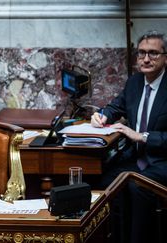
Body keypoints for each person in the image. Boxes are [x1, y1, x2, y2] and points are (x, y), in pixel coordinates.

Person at [91, 30, 167, 243]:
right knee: (106, 181)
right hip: (136, 160)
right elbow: (116, 106)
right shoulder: (134, 82)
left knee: (137, 187)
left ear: (165, 57)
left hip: (162, 162)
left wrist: (142, 136)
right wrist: (101, 115)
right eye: (141, 53)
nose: (146, 59)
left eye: (153, 53)